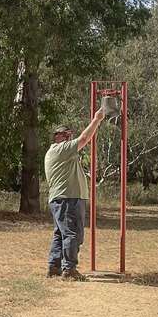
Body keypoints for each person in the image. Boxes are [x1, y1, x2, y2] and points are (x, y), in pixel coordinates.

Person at [44, 111, 105, 280]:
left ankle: (54, 266)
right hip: (68, 199)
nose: (69, 138)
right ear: (57, 137)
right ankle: (69, 270)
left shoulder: (56, 152)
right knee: (72, 234)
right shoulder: (60, 149)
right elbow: (84, 139)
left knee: (60, 234)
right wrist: (96, 120)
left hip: (61, 198)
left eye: (69, 135)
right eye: (66, 135)